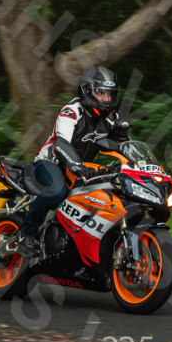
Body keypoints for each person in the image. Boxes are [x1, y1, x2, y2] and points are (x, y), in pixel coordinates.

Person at [15, 66, 130, 257]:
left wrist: (124, 139)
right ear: (87, 91)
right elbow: (61, 144)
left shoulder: (111, 119)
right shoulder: (71, 111)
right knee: (56, 191)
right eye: (100, 93)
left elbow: (125, 150)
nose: (106, 99)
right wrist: (77, 166)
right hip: (51, 163)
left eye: (109, 94)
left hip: (82, 168)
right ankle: (26, 234)